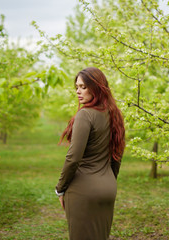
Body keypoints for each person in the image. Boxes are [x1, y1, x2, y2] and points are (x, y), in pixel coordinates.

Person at [55, 67, 125, 240]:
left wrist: (60, 189)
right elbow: (117, 155)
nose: (78, 91)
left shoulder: (85, 115)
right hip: (108, 187)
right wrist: (109, 179)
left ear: (97, 87)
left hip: (83, 190)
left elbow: (73, 158)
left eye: (83, 87)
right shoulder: (114, 114)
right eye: (77, 87)